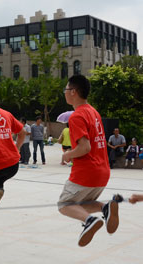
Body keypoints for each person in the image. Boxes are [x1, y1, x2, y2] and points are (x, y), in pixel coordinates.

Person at [57, 75, 117, 247]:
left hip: (86, 172)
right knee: (81, 204)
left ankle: (90, 221)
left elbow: (85, 148)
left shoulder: (77, 117)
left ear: (73, 92)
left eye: (66, 89)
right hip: (102, 172)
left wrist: (68, 155)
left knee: (64, 205)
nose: (65, 93)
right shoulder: (93, 112)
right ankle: (105, 208)